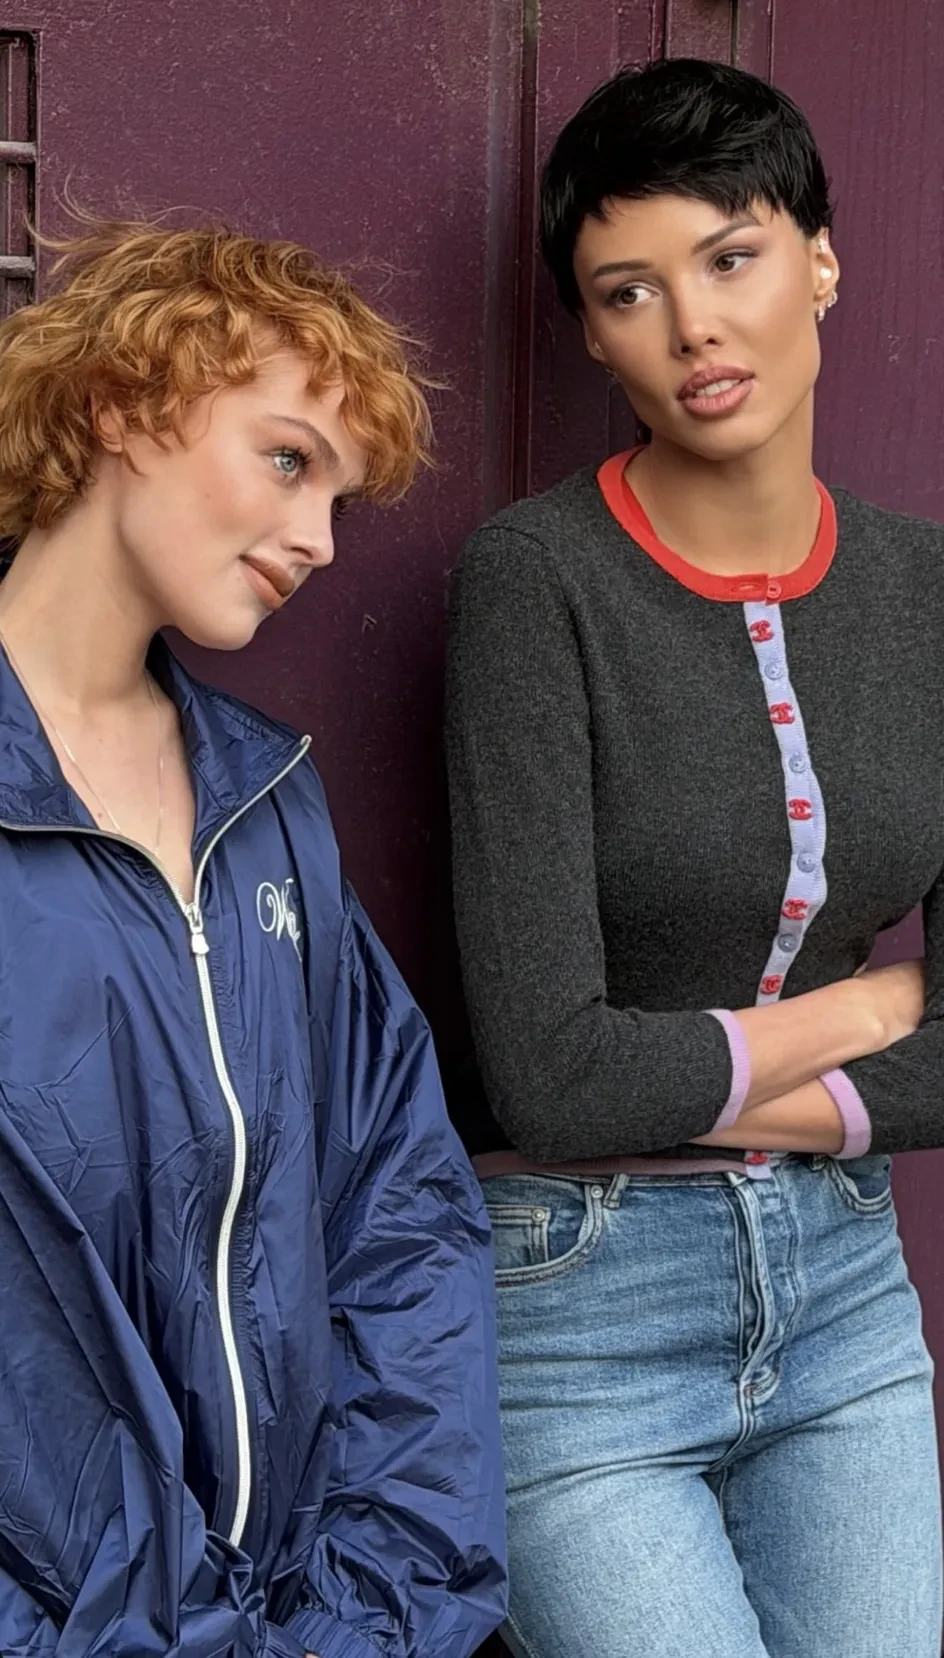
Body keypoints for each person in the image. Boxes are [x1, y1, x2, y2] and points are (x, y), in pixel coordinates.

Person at [445, 57, 943, 1658]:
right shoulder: (533, 583)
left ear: (822, 257)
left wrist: (681, 1077)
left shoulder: (930, 596)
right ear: (592, 335)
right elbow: (552, 1078)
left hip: (846, 1293)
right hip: (580, 1310)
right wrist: (872, 1010)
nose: (693, 327)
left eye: (731, 258)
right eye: (630, 291)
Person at [0, 218, 506, 1658]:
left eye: (338, 497)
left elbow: (400, 1218)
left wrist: (366, 1621)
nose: (319, 541)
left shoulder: (269, 804)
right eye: (289, 460)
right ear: (120, 403)